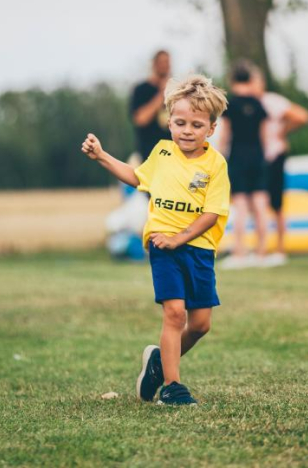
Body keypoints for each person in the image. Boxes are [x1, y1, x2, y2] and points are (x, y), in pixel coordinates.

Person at [82, 74, 229, 406]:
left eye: (196, 124)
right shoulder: (162, 153)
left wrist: (182, 238)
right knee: (175, 314)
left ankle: (158, 364)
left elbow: (211, 214)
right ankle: (172, 387)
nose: (187, 130)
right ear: (169, 123)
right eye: (180, 123)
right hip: (163, 246)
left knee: (201, 325)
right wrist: (103, 156)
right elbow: (137, 178)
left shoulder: (216, 165)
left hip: (199, 249)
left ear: (211, 128)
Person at [252, 69, 308, 266]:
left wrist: (282, 133)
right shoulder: (248, 105)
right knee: (258, 202)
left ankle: (280, 248)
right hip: (258, 158)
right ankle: (260, 247)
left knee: (276, 203)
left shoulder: (271, 101)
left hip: (274, 154)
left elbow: (302, 116)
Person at [217, 60, 270, 269]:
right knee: (260, 205)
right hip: (257, 156)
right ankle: (262, 253)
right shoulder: (259, 104)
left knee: (239, 205)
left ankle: (239, 253)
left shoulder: (231, 104)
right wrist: (263, 156)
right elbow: (264, 135)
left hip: (238, 156)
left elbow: (225, 135)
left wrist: (220, 156)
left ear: (232, 80)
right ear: (250, 79)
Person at [129, 50, 172, 160]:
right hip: (148, 154)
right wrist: (161, 95)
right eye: (161, 62)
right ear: (154, 64)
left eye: (167, 62)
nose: (165, 66)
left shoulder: (175, 90)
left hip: (173, 153)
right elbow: (140, 119)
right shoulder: (141, 90)